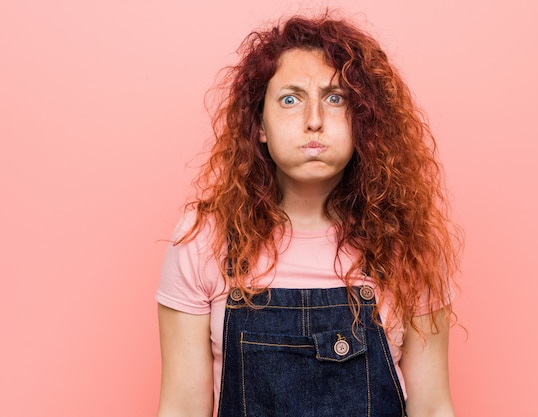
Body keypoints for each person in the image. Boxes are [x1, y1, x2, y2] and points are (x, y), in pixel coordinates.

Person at [156, 12, 460, 417]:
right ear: (259, 123)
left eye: (336, 98)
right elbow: (181, 408)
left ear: (363, 120)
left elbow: (433, 406)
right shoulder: (204, 241)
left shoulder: (406, 247)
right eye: (290, 99)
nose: (313, 121)